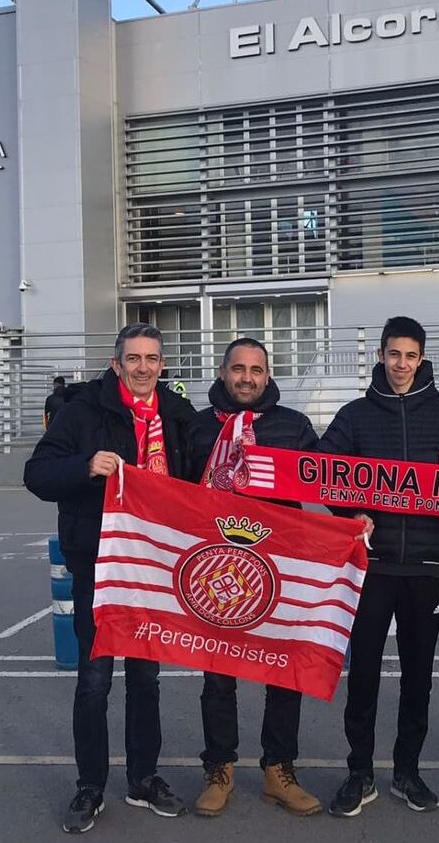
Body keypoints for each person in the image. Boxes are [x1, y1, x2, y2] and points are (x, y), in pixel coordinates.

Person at [24, 324, 196, 834]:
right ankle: (90, 785)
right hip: (98, 566)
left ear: (162, 365)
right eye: (134, 358)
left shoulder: (178, 415)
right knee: (95, 682)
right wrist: (85, 465)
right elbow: (36, 475)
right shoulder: (81, 412)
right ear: (116, 362)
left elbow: (207, 480)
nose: (143, 367)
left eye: (152, 358)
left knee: (146, 679)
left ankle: (143, 778)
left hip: (154, 568)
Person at [320, 316, 439, 817]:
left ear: (422, 358)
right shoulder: (357, 414)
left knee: (418, 678)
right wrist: (350, 512)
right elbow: (323, 472)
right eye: (393, 354)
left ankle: (408, 771)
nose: (401, 364)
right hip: (371, 567)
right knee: (362, 674)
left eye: (410, 355)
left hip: (425, 567)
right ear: (381, 356)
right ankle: (359, 773)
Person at [185, 337, 321, 818]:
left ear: (267, 375)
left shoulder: (295, 426)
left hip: (280, 570)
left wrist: (356, 519)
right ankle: (219, 769)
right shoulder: (197, 428)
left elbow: (330, 480)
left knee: (284, 674)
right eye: (238, 368)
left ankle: (278, 770)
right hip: (216, 574)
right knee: (218, 677)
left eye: (256, 369)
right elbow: (169, 492)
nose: (247, 377)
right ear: (223, 373)